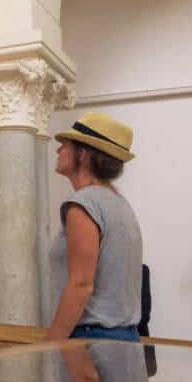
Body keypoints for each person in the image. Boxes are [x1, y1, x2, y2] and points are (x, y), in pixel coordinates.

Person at [45, 111, 143, 342]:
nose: (58, 150)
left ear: (85, 154)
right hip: (124, 338)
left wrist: (50, 345)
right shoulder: (119, 203)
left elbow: (80, 285)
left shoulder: (84, 204)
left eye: (66, 145)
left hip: (93, 339)